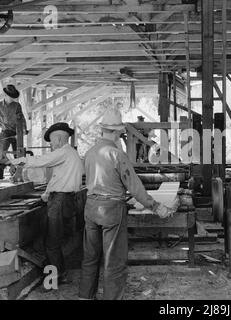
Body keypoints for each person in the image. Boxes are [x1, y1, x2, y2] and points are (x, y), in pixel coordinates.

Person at [79, 108, 171, 300]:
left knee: (90, 257)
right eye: (120, 132)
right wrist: (155, 206)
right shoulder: (116, 155)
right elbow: (134, 186)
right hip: (111, 210)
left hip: (91, 207)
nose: (121, 135)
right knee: (114, 260)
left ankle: (85, 297)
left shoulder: (89, 153)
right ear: (114, 132)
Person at [10, 122, 84, 286]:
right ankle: (59, 273)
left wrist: (18, 161)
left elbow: (42, 160)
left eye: (51, 141)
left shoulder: (63, 152)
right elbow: (59, 178)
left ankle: (56, 278)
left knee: (51, 243)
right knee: (53, 240)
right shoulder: (71, 154)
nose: (50, 145)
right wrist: (47, 194)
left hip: (60, 201)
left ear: (58, 139)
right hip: (64, 199)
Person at [0, 84, 27, 179]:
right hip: (5, 132)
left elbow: (21, 118)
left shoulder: (17, 105)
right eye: (11, 96)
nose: (13, 98)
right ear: (6, 95)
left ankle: (17, 173)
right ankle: (0, 173)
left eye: (14, 97)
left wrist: (23, 130)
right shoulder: (0, 105)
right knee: (1, 152)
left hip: (17, 133)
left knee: (19, 153)